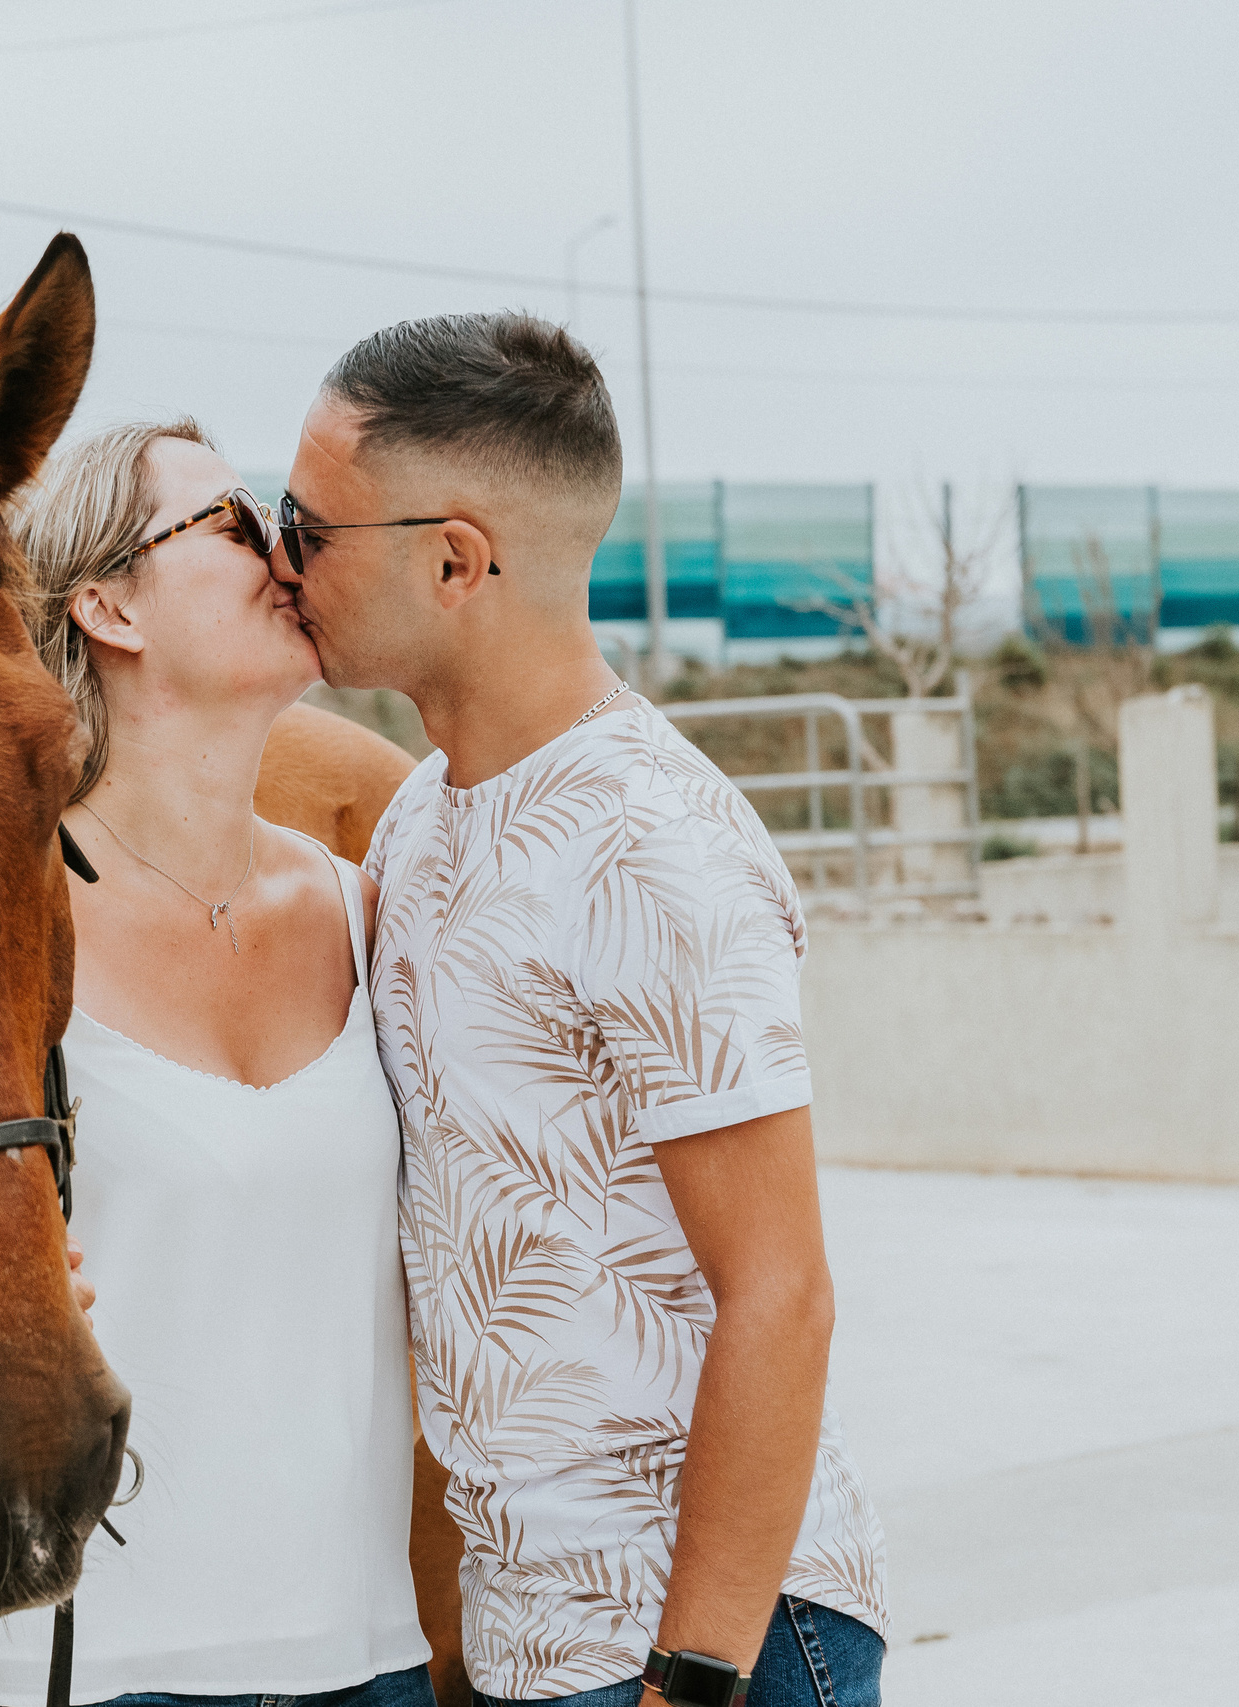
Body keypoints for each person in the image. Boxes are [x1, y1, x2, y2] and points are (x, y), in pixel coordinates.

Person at [0, 419, 433, 1707]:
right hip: (28, 1667)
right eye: (230, 521)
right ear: (106, 602)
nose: (286, 547)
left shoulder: (374, 908)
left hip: (353, 1657)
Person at [271, 316, 890, 1707]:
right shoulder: (422, 821)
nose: (277, 556)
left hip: (706, 1637)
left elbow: (780, 1293)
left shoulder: (655, 844)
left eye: (307, 525)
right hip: (526, 1636)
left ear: (455, 560)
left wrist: (695, 1675)